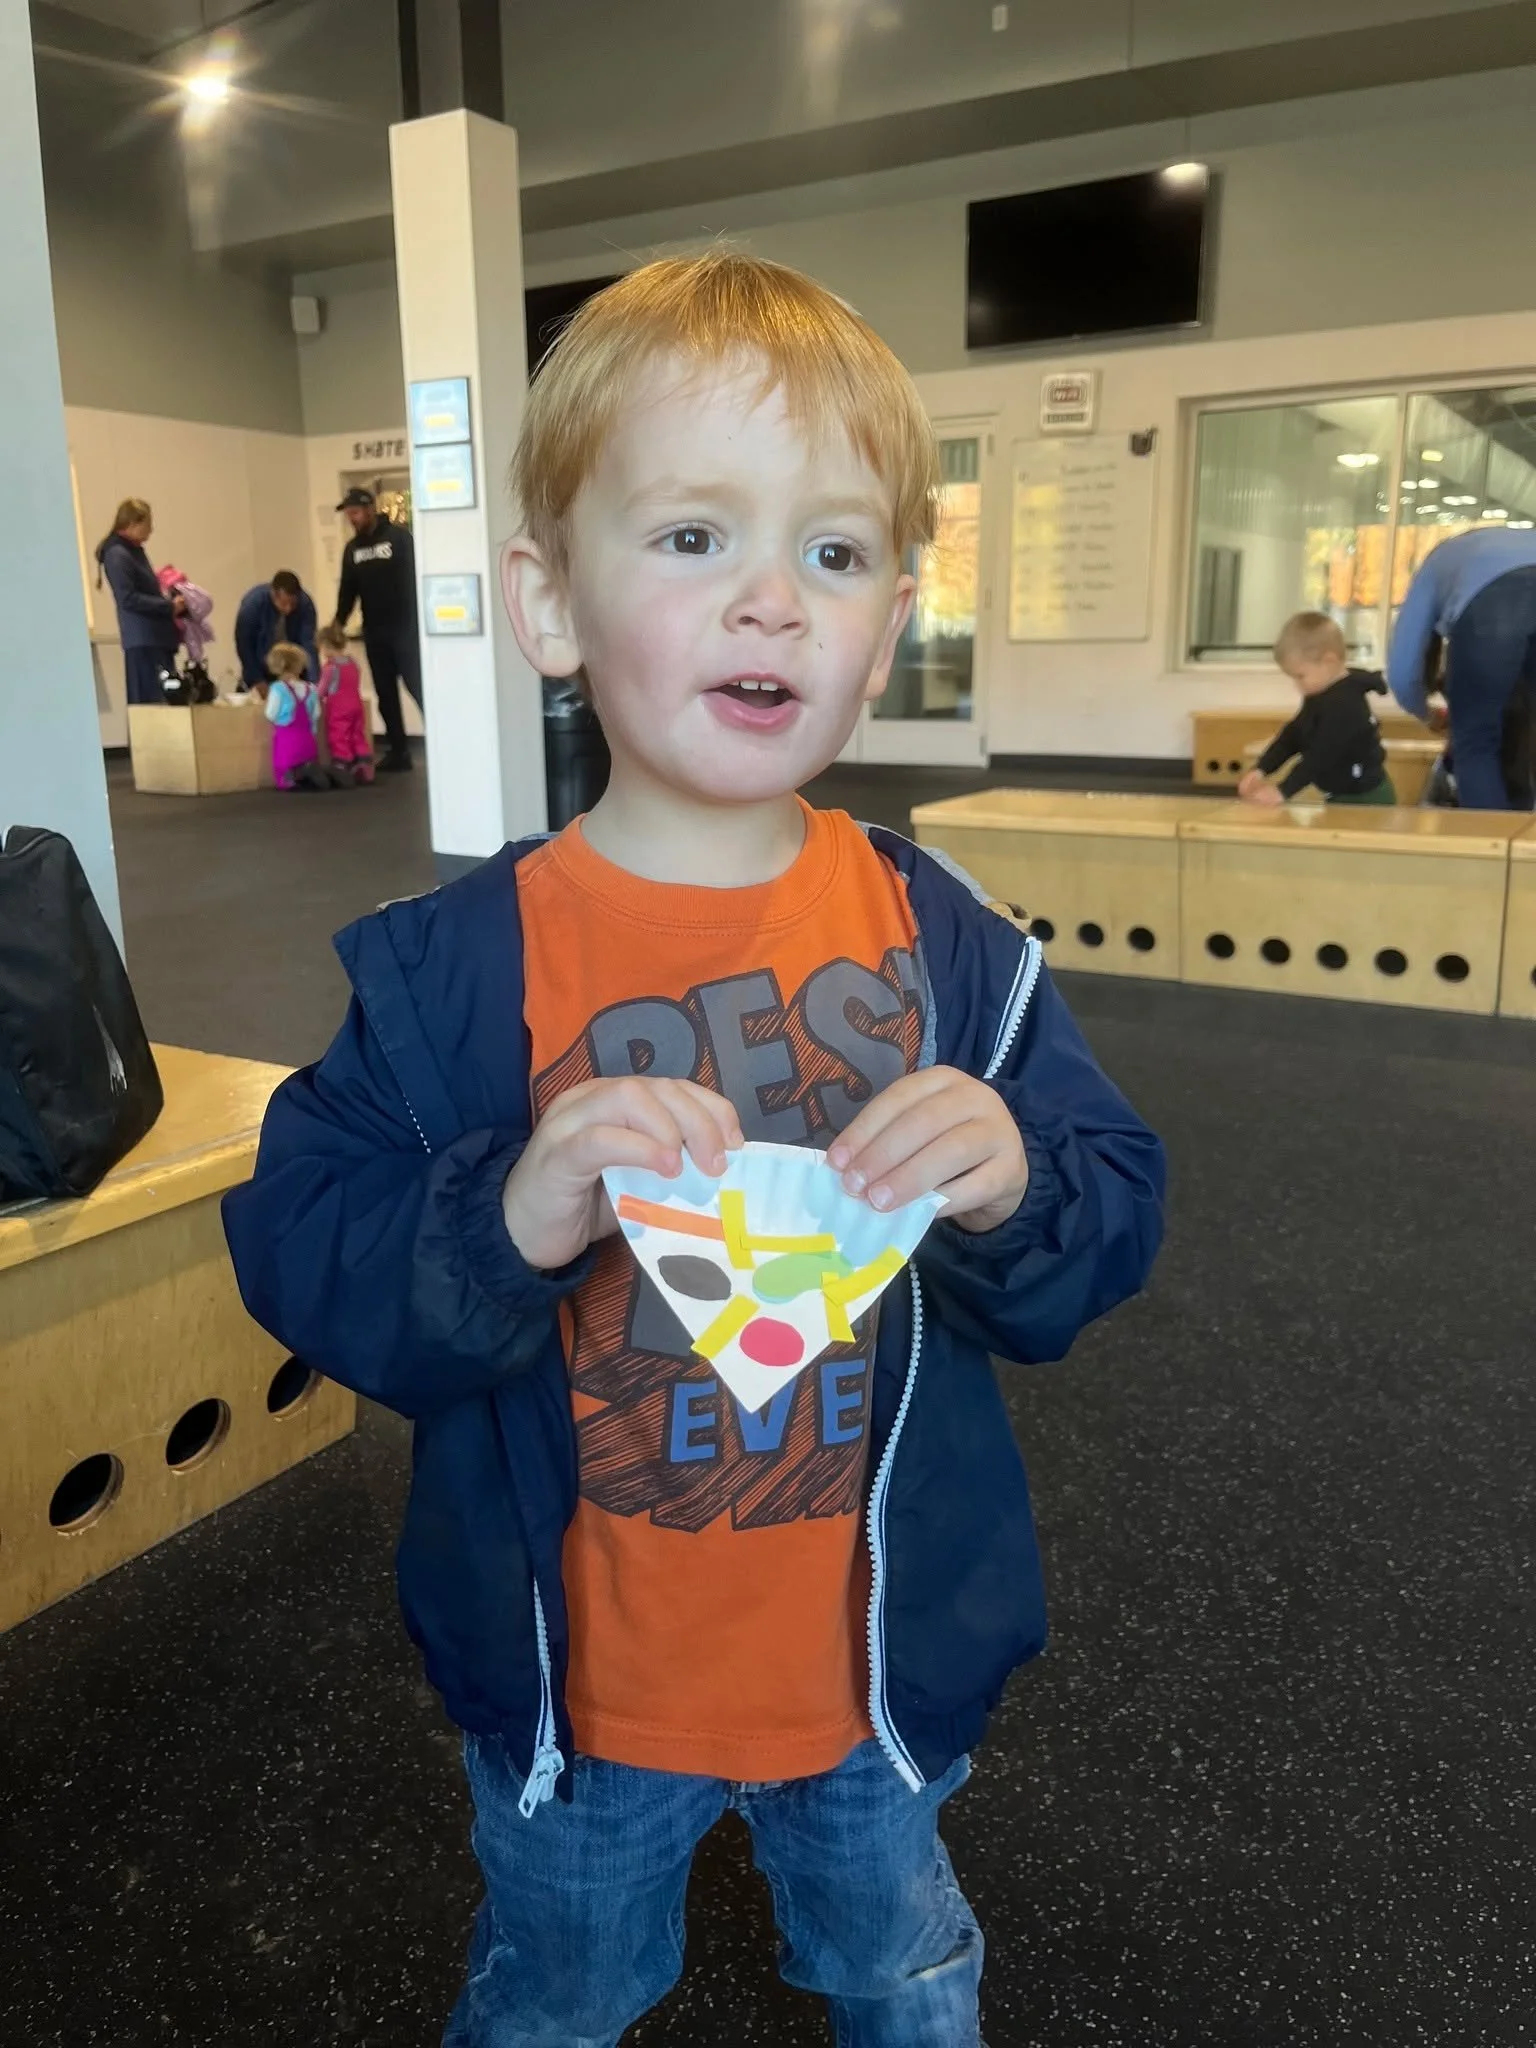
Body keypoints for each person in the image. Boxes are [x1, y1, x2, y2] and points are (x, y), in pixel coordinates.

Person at [223, 254, 1166, 2048]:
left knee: (901, 1965)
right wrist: (506, 1211)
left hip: (873, 1673)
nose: (771, 604)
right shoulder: (448, 971)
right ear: (550, 602)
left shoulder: (952, 939)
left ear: (889, 624)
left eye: (830, 554)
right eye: (689, 540)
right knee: (559, 1993)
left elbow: (1110, 1206)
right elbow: (302, 1239)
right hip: (586, 1689)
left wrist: (1016, 1179)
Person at [1389, 525, 1536, 810]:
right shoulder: (1512, 542)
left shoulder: (1439, 562)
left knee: (1476, 741)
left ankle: (1488, 847)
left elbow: (1402, 669)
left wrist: (1426, 713)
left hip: (1494, 601)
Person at [1239, 611, 1394, 807]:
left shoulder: (1346, 704)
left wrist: (1283, 791)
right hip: (1340, 793)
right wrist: (1262, 768)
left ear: (1329, 661)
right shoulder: (1319, 696)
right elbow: (1293, 736)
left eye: (1300, 676)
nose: (1297, 686)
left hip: (1366, 798)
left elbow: (1321, 756)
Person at [331, 488, 419, 773]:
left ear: (369, 510)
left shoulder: (398, 539)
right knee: (385, 692)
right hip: (375, 630)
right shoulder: (353, 550)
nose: (352, 519)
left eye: (355, 513)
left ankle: (446, 743)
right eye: (348, 515)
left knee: (417, 686)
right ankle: (398, 751)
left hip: (405, 627)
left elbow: (416, 577)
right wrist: (338, 623)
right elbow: (348, 591)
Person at [95, 497, 185, 705]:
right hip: (144, 641)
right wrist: (168, 606)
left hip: (154, 638)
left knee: (164, 701)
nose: (151, 530)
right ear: (132, 524)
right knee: (150, 705)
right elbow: (128, 598)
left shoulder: (132, 552)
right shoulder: (118, 555)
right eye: (147, 524)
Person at [234, 571, 318, 691]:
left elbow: (309, 644)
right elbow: (244, 645)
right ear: (273, 594)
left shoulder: (305, 604)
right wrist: (256, 679)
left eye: (293, 604)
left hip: (294, 668)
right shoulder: (252, 605)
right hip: (262, 665)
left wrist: (313, 683)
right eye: (284, 604)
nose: (288, 609)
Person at [263, 641, 327, 792]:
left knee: (283, 762)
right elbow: (316, 713)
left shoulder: (278, 689)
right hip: (307, 739)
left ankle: (289, 778)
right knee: (307, 759)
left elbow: (270, 714)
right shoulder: (310, 688)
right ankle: (307, 773)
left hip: (287, 740)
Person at [316, 622, 373, 784]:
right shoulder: (353, 663)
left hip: (339, 708)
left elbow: (321, 690)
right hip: (356, 705)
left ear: (326, 646)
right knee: (357, 734)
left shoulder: (330, 668)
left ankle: (342, 765)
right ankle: (363, 762)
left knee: (338, 736)